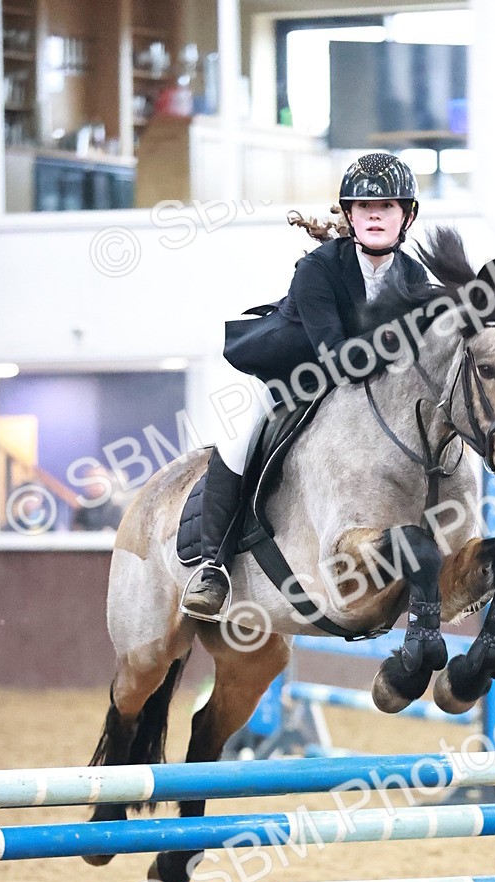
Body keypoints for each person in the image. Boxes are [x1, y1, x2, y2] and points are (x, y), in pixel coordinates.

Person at [182, 152, 429, 618]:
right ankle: (211, 566)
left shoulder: (414, 277)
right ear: (349, 215)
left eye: (388, 206)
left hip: (355, 389)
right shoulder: (318, 268)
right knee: (241, 438)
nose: (375, 215)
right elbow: (337, 357)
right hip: (286, 374)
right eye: (363, 207)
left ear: (407, 216)